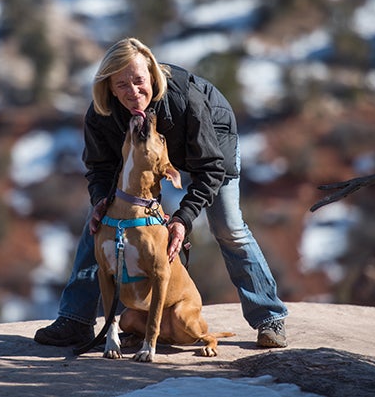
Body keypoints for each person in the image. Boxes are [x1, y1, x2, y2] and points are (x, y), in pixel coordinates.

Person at [34, 37, 288, 348]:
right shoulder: (101, 114)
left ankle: (269, 317)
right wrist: (101, 200)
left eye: (139, 80)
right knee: (100, 223)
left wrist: (182, 219)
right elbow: (99, 168)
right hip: (146, 151)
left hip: (210, 142)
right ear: (110, 88)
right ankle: (76, 320)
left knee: (228, 227)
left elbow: (209, 169)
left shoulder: (186, 100)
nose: (133, 91)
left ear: (152, 75)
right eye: (122, 84)